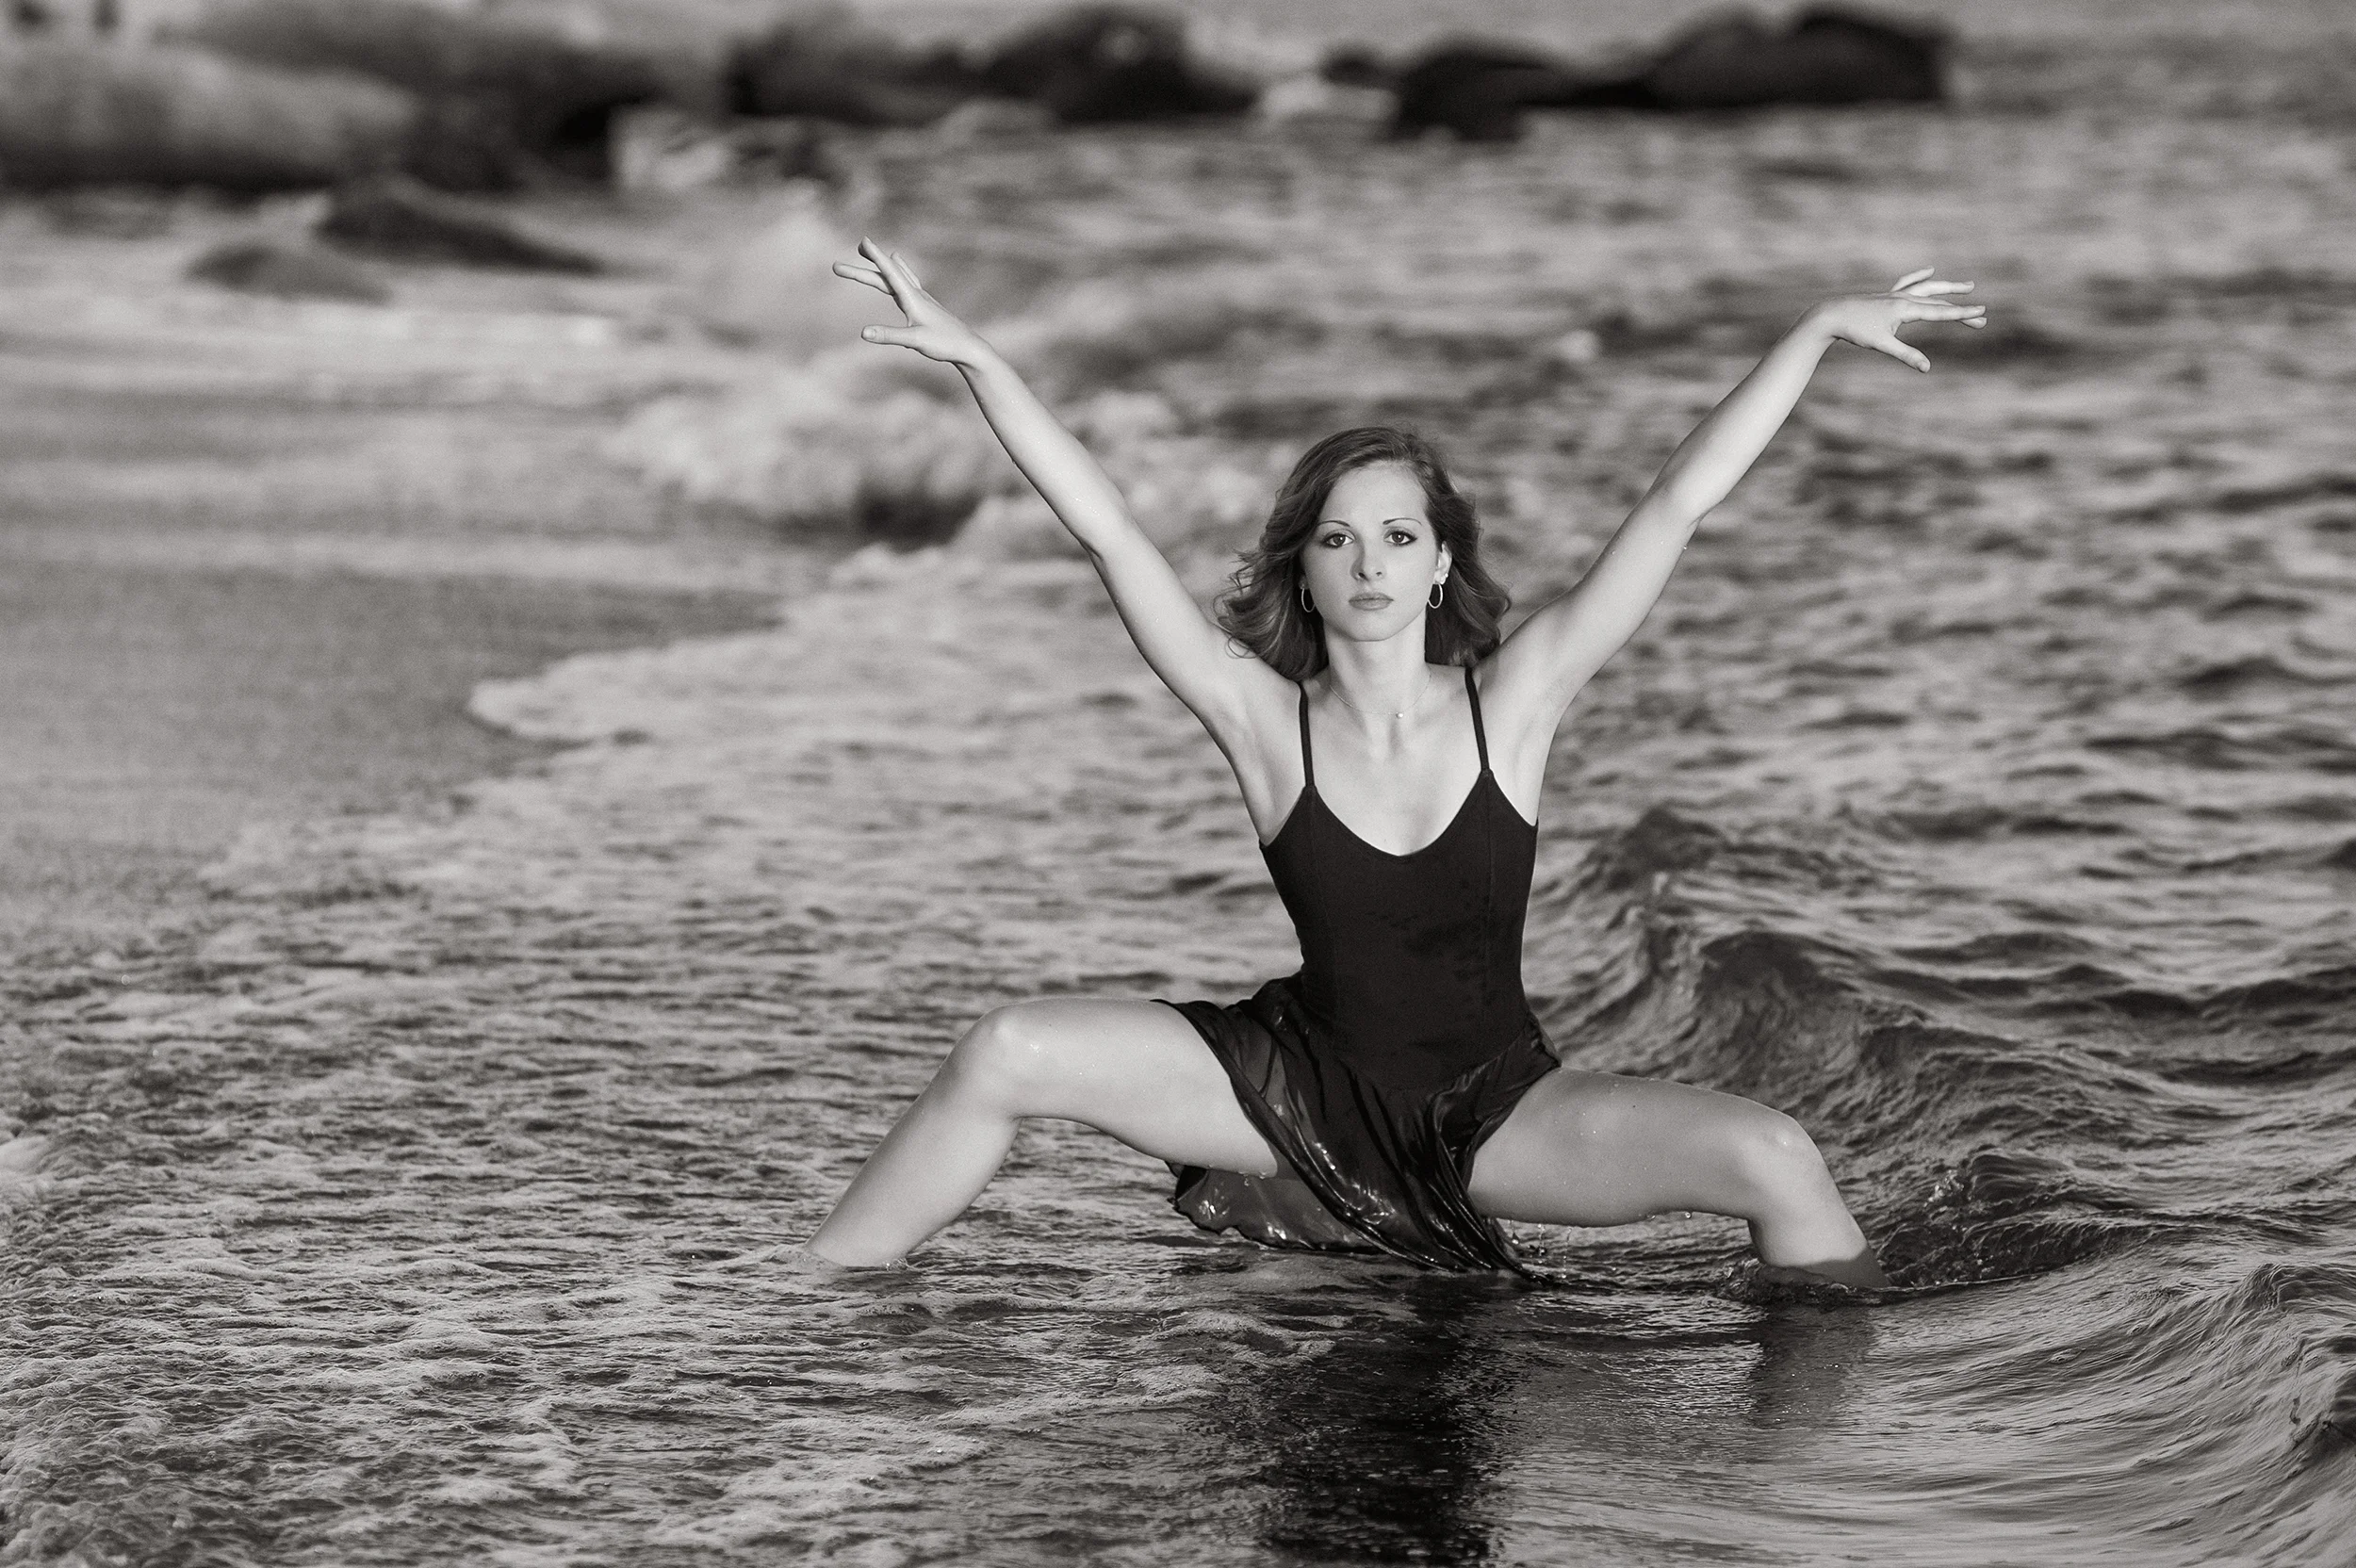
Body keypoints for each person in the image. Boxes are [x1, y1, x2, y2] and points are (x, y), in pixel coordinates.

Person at [806, 239, 1986, 1286]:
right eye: (1337, 539)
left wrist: (1814, 331)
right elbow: (1107, 529)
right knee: (1005, 1049)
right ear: (1303, 572)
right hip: (1295, 1085)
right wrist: (980, 361)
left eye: (1397, 536)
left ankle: (1837, 1402)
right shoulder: (1260, 718)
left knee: (1775, 1154)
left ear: (1437, 565)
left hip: (1493, 1111)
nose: (1369, 565)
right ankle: (806, 1301)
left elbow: (1678, 500)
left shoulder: (1515, 700)